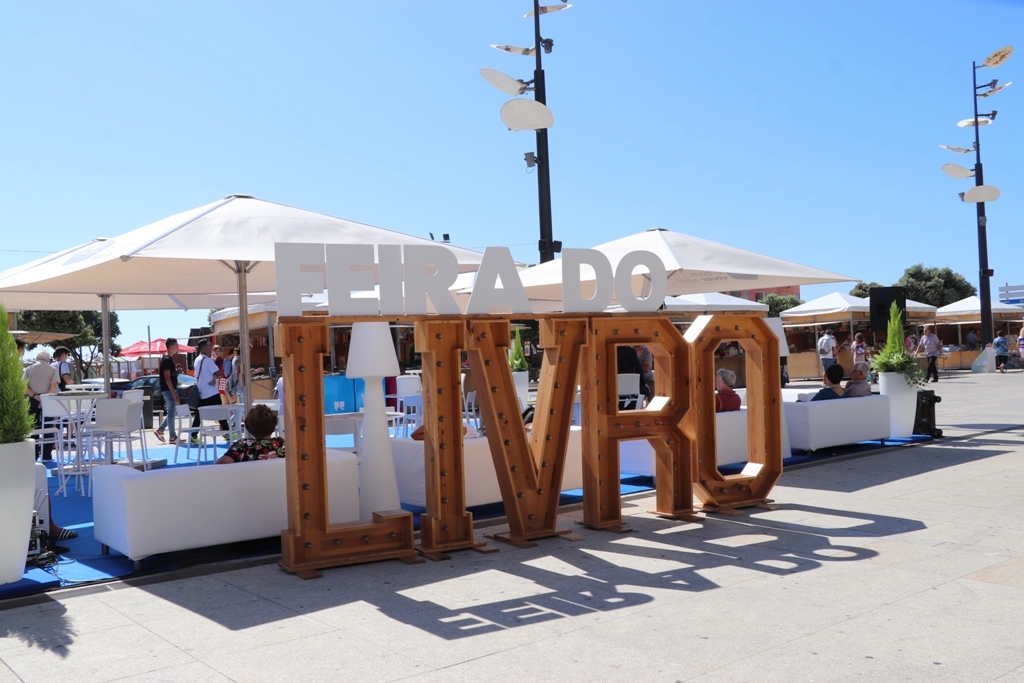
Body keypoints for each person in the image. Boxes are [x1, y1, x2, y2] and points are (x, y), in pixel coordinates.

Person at [216, 405, 284, 464]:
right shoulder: (282, 444)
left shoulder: (243, 446)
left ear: (248, 427)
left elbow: (223, 462)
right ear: (274, 426)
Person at [24, 350, 59, 460]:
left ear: (36, 358)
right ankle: (46, 455)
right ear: (48, 359)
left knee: (32, 427)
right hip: (47, 399)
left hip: (32, 399)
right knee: (48, 427)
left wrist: (36, 396)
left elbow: (24, 387)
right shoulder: (53, 369)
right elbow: (53, 387)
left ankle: (33, 455)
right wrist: (43, 400)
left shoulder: (29, 369)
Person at [190, 340, 227, 440]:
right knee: (220, 412)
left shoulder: (197, 359)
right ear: (204, 348)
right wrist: (214, 376)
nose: (211, 348)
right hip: (211, 392)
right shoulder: (207, 360)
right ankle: (227, 433)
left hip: (202, 391)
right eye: (210, 346)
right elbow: (219, 373)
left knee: (199, 415)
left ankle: (193, 435)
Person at [154, 338, 180, 444]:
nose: (178, 347)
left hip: (169, 389)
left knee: (171, 412)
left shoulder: (168, 359)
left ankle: (161, 430)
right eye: (176, 345)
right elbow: (167, 378)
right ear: (172, 346)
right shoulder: (167, 360)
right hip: (169, 390)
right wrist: (174, 394)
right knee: (171, 413)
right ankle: (172, 436)